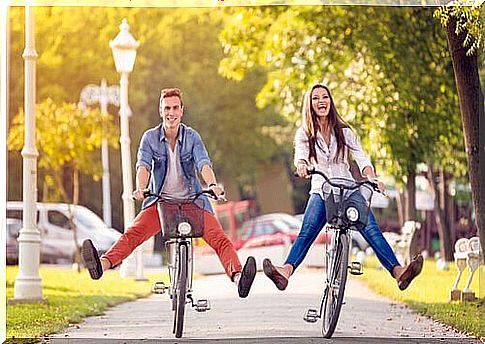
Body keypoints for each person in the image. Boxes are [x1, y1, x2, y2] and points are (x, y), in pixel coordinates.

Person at [81, 87, 256, 298]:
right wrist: (140, 189)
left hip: (193, 202)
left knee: (220, 239)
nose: (170, 112)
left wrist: (213, 185)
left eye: (175, 108)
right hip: (161, 203)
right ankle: (102, 265)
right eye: (166, 108)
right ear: (160, 110)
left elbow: (203, 163)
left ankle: (238, 278)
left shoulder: (192, 137)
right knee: (133, 233)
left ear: (182, 111)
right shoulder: (150, 138)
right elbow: (143, 166)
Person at [263, 83, 423, 291]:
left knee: (371, 229)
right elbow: (300, 157)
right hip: (322, 188)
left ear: (331, 101)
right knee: (307, 231)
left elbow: (362, 159)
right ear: (309, 105)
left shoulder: (345, 132)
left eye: (325, 97)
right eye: (316, 98)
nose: (321, 101)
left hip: (348, 190)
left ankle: (399, 272)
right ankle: (285, 272)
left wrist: (372, 178)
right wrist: (302, 166)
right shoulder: (305, 134)